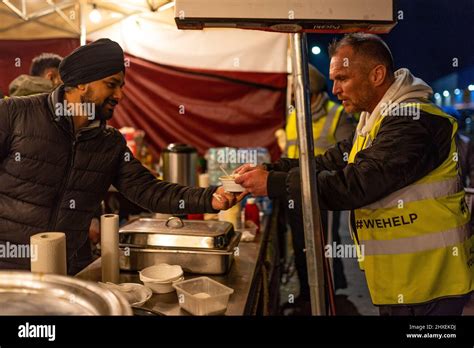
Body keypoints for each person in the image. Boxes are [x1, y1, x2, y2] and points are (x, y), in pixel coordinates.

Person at [235, 33, 474, 316]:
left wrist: (272, 183)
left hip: (433, 281)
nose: (335, 89)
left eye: (343, 78)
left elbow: (356, 185)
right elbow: (328, 162)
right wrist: (270, 170)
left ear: (377, 74)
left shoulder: (413, 121)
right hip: (404, 279)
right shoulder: (375, 121)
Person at [0, 38, 242, 275]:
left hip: (68, 276)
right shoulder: (15, 115)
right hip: (7, 272)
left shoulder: (109, 144)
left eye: (121, 86)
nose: (120, 95)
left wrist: (211, 197)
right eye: (111, 84)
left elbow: (149, 191)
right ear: (82, 83)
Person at [282, 64, 354, 314]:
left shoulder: (337, 115)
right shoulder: (293, 115)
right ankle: (307, 294)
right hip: (293, 193)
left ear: (314, 94)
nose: (297, 102)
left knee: (326, 246)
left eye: (302, 97)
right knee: (301, 246)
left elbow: (347, 156)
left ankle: (327, 298)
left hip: (324, 195)